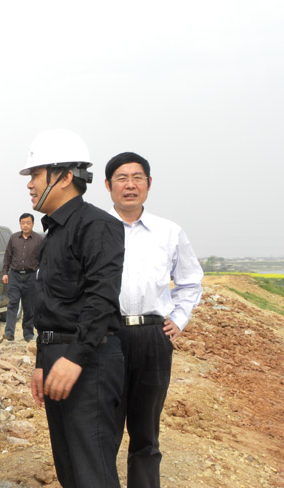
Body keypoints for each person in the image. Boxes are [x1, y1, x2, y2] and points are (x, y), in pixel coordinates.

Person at [23, 129, 125, 488]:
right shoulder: (53, 233)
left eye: (36, 174)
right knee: (69, 469)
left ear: (64, 177)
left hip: (87, 360)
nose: (30, 184)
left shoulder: (97, 225)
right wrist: (42, 362)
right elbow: (50, 306)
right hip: (59, 357)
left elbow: (101, 298)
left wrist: (75, 357)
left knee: (91, 471)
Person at [104, 152, 203, 488]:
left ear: (148, 183)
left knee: (146, 431)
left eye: (137, 177)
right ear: (108, 185)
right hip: (106, 336)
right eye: (122, 178)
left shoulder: (169, 232)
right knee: (104, 429)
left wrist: (179, 319)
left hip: (152, 337)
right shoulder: (95, 229)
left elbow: (190, 281)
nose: (130, 185)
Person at [1, 213, 42, 342]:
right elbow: (7, 256)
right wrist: (5, 272)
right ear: (20, 224)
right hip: (14, 275)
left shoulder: (38, 239)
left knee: (29, 307)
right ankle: (9, 333)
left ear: (32, 224)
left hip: (31, 276)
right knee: (12, 304)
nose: (25, 225)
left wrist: (41, 275)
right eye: (23, 223)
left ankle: (28, 333)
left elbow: (43, 258)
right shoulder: (14, 238)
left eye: (28, 223)